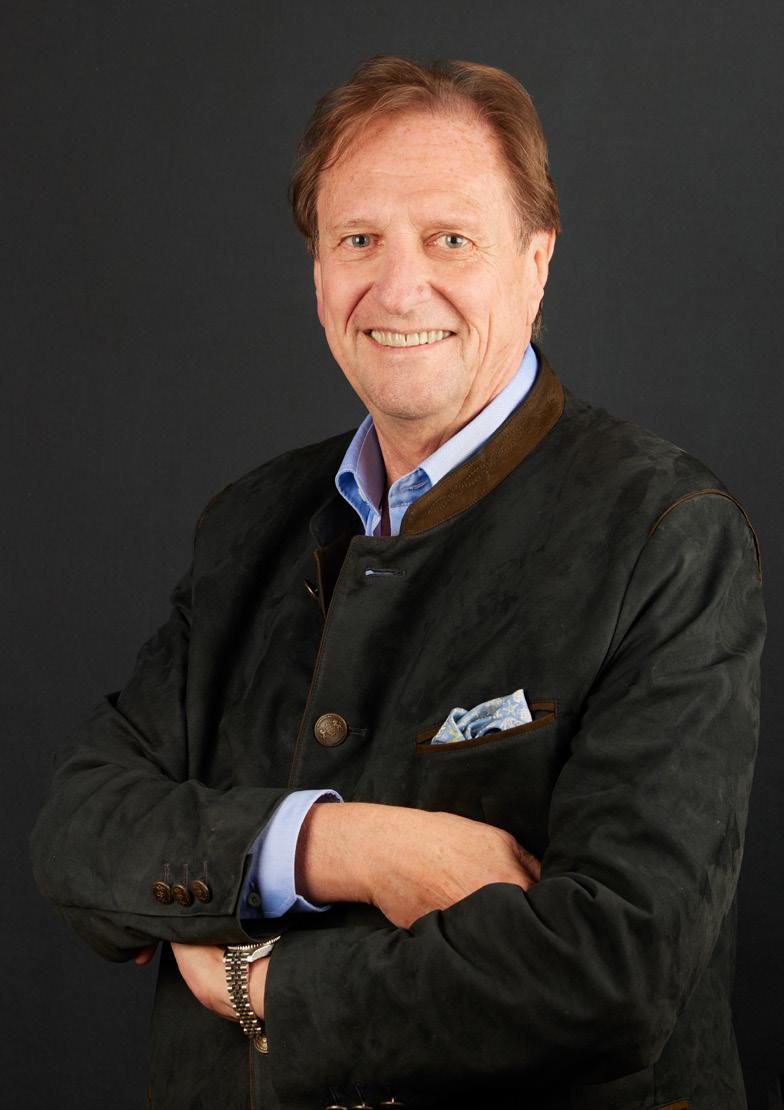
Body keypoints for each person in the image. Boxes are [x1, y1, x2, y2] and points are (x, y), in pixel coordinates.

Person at [31, 55, 765, 1110]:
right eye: (358, 240)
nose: (399, 287)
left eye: (450, 239)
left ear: (537, 259)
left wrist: (257, 984)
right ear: (317, 271)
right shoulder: (249, 522)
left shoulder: (666, 531)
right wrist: (347, 847)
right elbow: (79, 833)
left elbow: (615, 972)